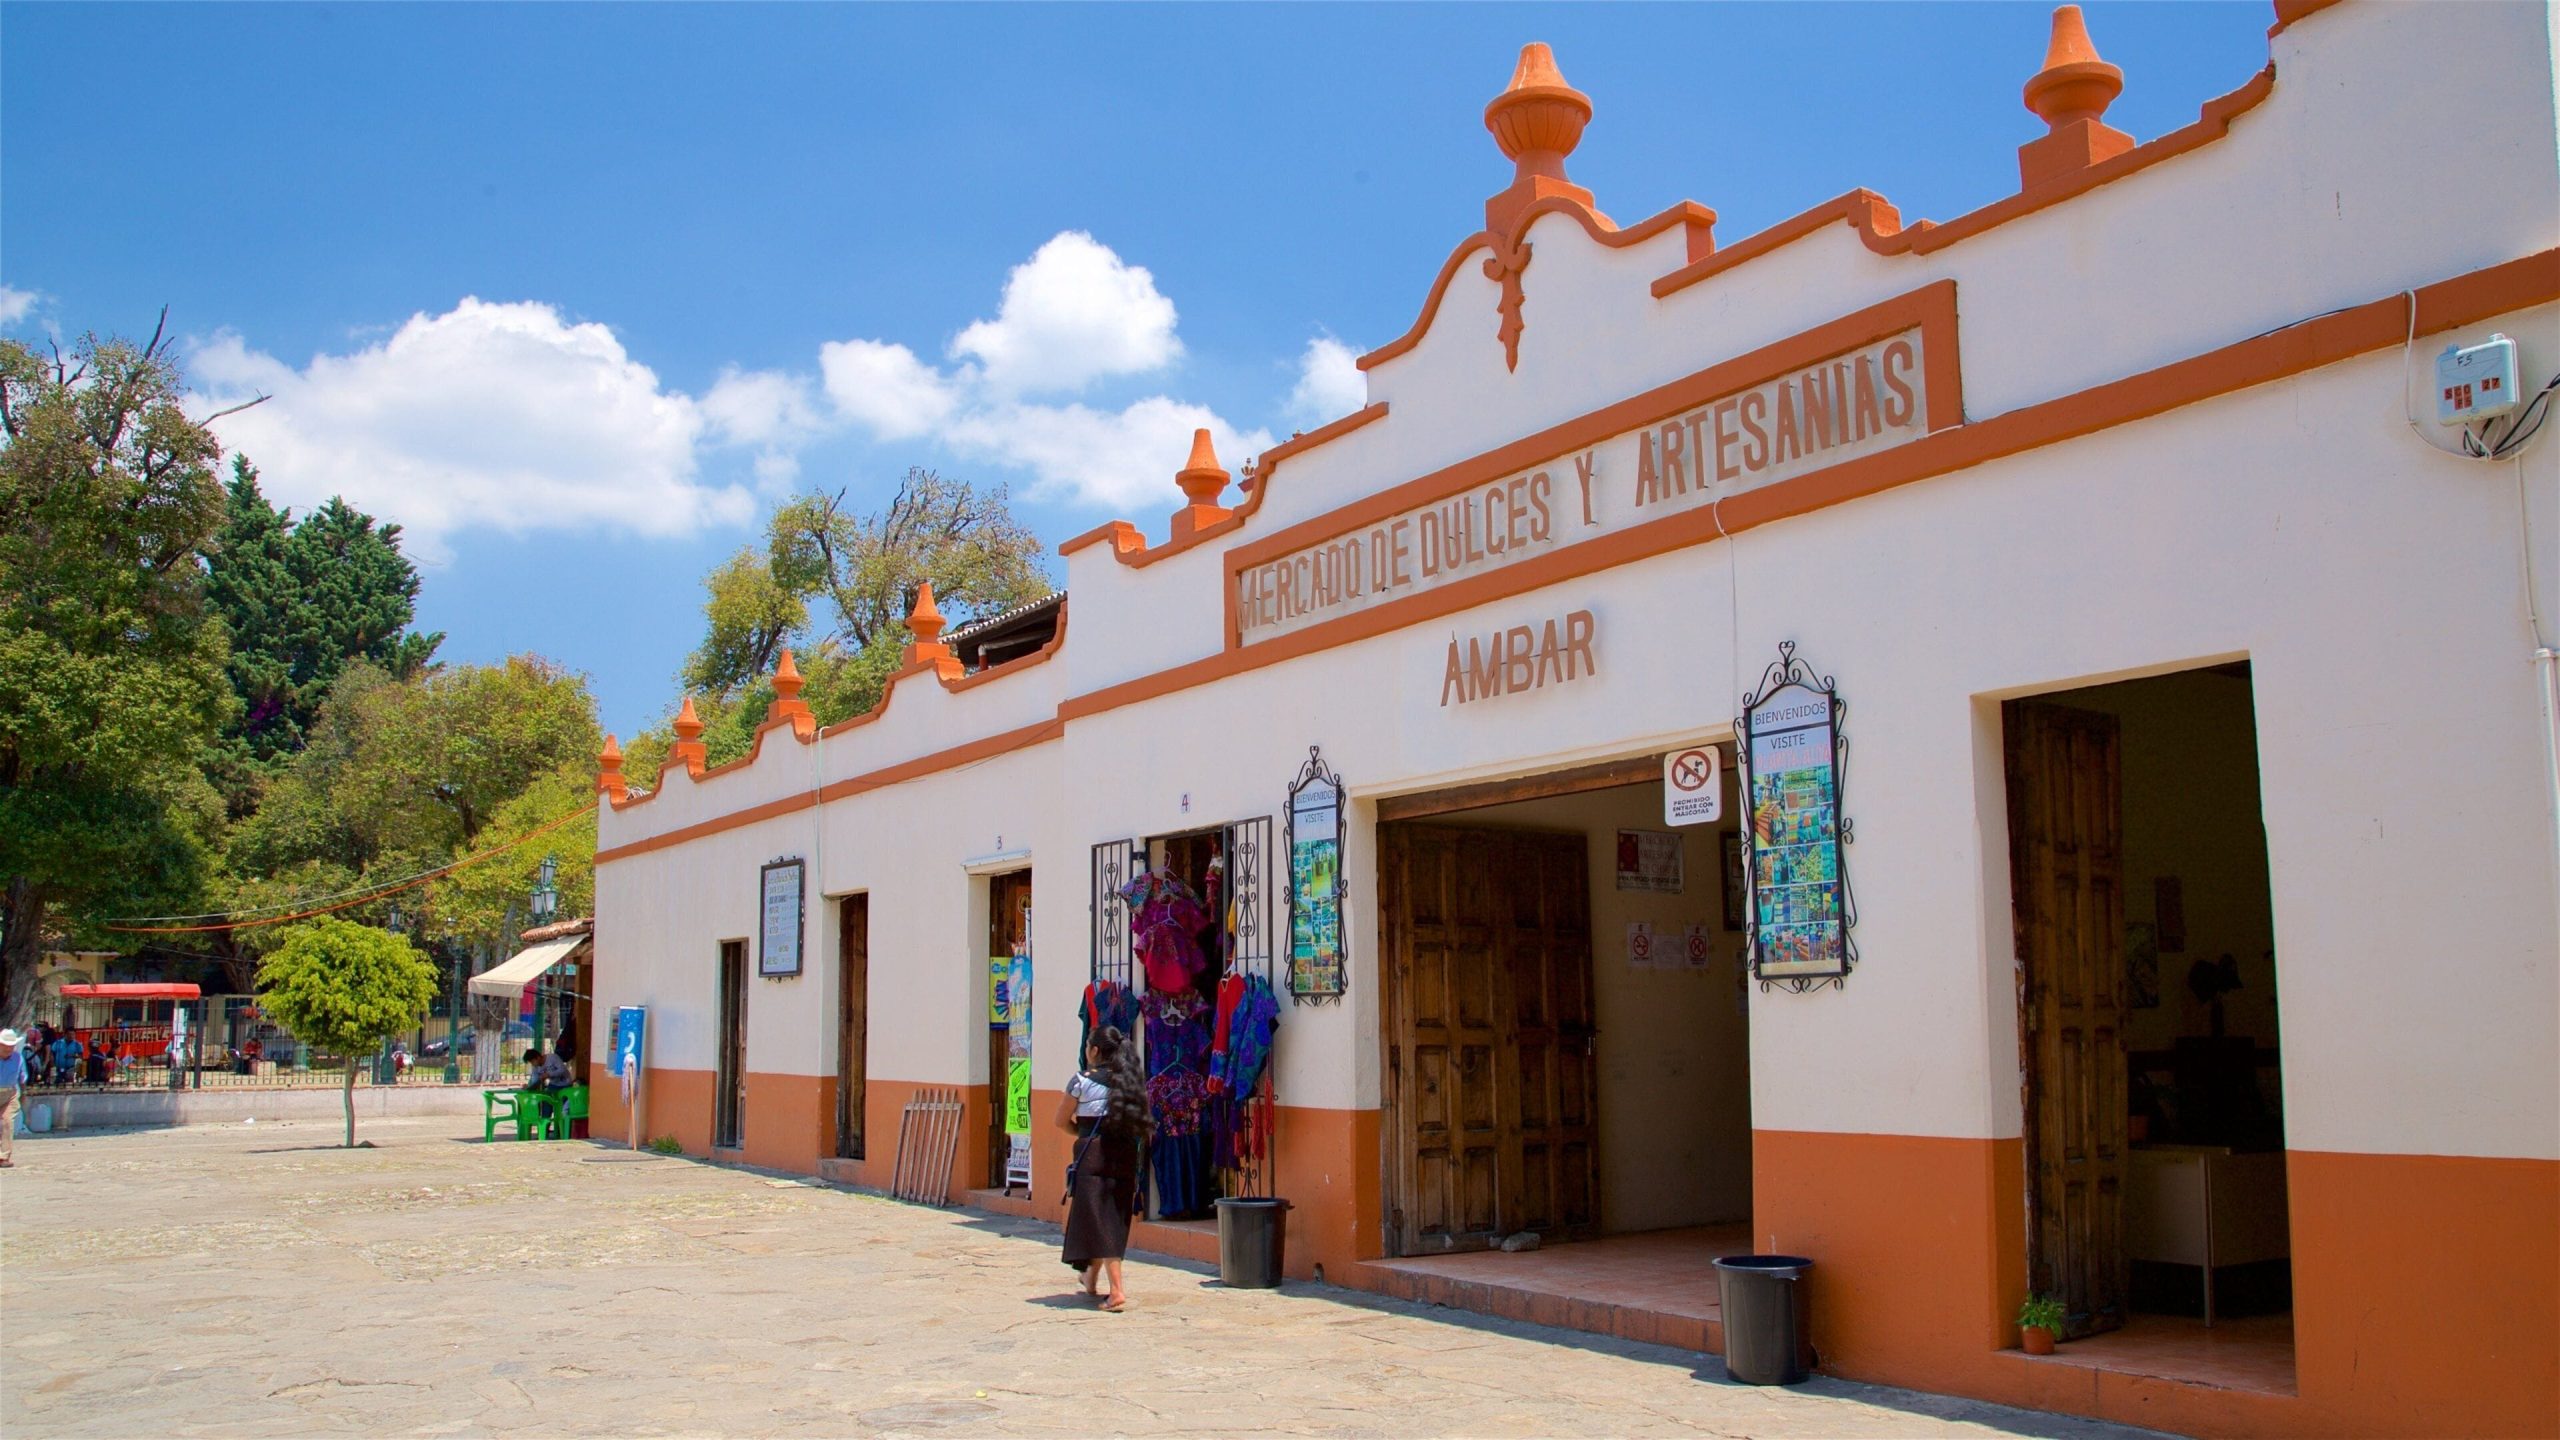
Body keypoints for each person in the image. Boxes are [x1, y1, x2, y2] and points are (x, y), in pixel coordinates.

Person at [1055, 1026, 1152, 1312]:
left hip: (1093, 1155)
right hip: (1124, 1155)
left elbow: (1061, 1121)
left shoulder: (1081, 1081)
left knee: (1100, 1218)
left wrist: (1082, 1133)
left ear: (1095, 1050)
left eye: (1088, 1045)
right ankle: (1090, 1276)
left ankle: (1117, 1291)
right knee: (1110, 1216)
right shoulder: (1131, 1083)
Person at [0, 1028, 27, 1166]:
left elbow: (22, 1077)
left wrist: (23, 1093)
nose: (10, 1048)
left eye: (12, 1045)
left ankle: (4, 1157)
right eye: (7, 1045)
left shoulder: (18, 1057)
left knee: (7, 1122)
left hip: (10, 1093)